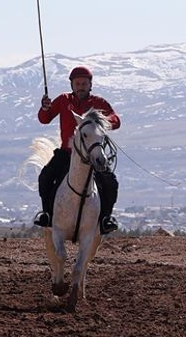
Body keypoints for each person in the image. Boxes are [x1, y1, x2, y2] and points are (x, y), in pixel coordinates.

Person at [33, 66, 121, 234]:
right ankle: (47, 214)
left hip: (93, 156)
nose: (81, 86)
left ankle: (106, 219)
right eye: (78, 83)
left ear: (90, 85)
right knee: (45, 177)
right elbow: (44, 119)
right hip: (66, 154)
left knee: (110, 182)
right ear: (72, 85)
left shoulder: (98, 103)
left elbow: (116, 120)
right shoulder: (63, 100)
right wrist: (44, 108)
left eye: (84, 83)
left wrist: (102, 121)